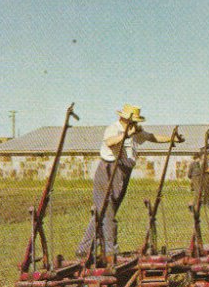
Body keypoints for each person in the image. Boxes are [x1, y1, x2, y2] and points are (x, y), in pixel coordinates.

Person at [77, 104, 184, 258]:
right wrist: (126, 134)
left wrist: (171, 139)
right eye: (132, 121)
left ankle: (84, 248)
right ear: (124, 119)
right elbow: (109, 142)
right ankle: (110, 251)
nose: (135, 124)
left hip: (123, 173)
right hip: (108, 170)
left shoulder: (134, 132)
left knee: (103, 211)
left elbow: (151, 137)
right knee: (107, 212)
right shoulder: (114, 129)